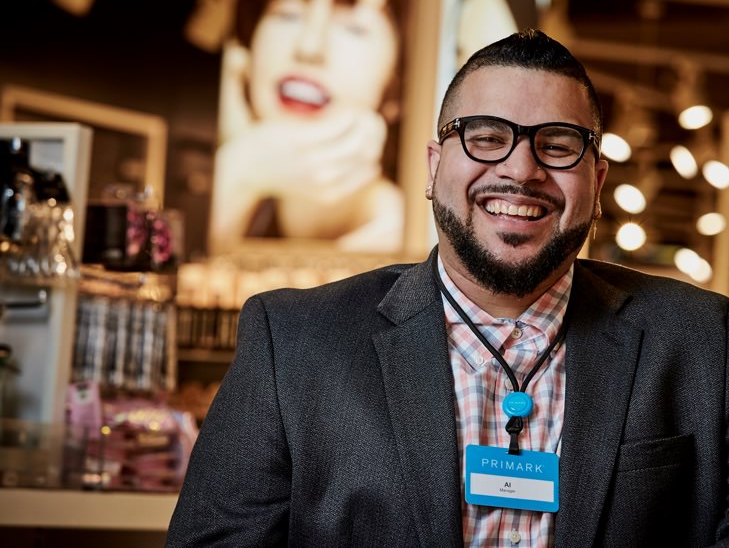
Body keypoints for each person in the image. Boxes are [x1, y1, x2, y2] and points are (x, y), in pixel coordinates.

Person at [166, 29, 729, 546]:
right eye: (486, 137)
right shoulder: (292, 343)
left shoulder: (706, 342)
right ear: (434, 167)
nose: (522, 169)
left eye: (558, 146)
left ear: (598, 181)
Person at [207, 0, 409, 256]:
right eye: (287, 14)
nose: (309, 46)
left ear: (400, 84)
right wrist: (237, 172)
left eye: (353, 28)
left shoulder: (418, 247)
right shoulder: (243, 190)